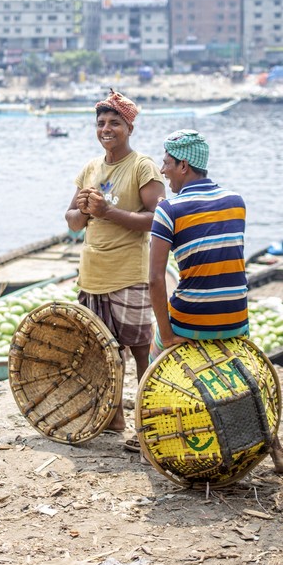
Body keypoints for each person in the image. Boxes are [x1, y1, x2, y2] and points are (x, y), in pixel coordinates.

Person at [148, 130, 283, 476]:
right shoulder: (236, 200)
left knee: (153, 355)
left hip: (192, 319)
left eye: (167, 163)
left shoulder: (168, 210)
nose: (163, 170)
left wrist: (168, 334)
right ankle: (275, 448)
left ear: (184, 165)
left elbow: (156, 279)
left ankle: (154, 439)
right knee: (242, 375)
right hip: (235, 318)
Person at [66, 90, 164, 447]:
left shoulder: (142, 167)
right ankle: (114, 416)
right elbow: (73, 223)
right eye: (102, 123)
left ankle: (147, 423)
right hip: (92, 273)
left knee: (139, 349)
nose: (107, 129)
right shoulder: (90, 168)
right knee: (102, 350)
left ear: (129, 127)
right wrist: (83, 209)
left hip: (129, 274)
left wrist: (108, 212)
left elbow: (158, 219)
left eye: (115, 123)